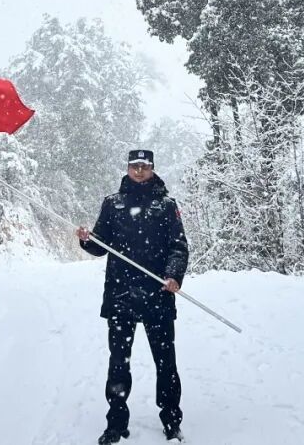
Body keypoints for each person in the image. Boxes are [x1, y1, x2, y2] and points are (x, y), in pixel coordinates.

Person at [76, 149, 189, 444]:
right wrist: (87, 240)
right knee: (118, 362)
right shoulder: (112, 204)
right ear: (127, 168)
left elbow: (178, 246)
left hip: (158, 294)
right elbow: (100, 246)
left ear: (152, 168)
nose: (139, 171)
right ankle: (116, 423)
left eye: (144, 166)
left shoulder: (166, 205)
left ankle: (171, 421)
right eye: (134, 166)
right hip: (121, 294)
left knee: (166, 362)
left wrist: (173, 276)